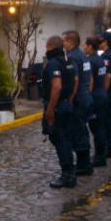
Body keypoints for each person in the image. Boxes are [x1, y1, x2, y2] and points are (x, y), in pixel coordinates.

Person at [42, 35, 78, 188]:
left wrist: (50, 109)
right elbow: (75, 81)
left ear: (51, 46)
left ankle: (67, 175)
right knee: (66, 140)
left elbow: (56, 87)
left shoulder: (53, 63)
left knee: (60, 140)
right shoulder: (68, 61)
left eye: (47, 47)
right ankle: (70, 172)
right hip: (66, 105)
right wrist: (69, 99)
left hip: (57, 107)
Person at [63, 30, 94, 176]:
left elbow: (74, 80)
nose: (63, 44)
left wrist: (70, 99)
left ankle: (83, 165)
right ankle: (85, 162)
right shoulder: (83, 55)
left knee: (78, 132)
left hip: (78, 100)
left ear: (70, 42)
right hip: (86, 96)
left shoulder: (73, 57)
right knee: (82, 130)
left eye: (65, 41)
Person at [84, 36, 109, 167]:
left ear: (90, 46)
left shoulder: (90, 61)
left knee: (96, 127)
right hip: (102, 94)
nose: (84, 48)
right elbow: (105, 78)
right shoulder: (100, 60)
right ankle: (102, 153)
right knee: (101, 126)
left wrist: (88, 97)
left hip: (95, 97)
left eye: (85, 45)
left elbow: (91, 81)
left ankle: (99, 156)